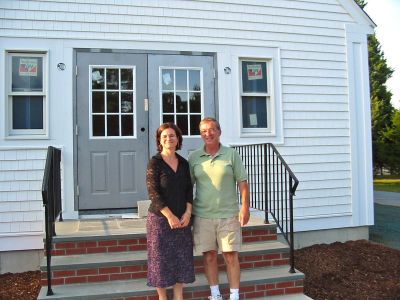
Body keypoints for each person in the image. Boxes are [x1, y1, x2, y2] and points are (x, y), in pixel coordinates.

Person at [188, 117, 250, 300]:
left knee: (231, 256)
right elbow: (187, 186)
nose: (208, 134)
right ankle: (215, 294)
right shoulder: (194, 157)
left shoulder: (231, 154)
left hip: (228, 215)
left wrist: (244, 206)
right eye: (204, 131)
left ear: (219, 132)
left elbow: (242, 182)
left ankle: (234, 295)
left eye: (212, 129)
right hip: (203, 215)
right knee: (209, 256)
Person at [146, 122, 195, 300]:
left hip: (182, 219)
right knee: (160, 260)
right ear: (160, 140)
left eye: (172, 135)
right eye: (164, 136)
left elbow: (189, 190)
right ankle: (162, 297)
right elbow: (153, 193)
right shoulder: (155, 163)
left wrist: (188, 213)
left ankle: (178, 296)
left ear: (178, 139)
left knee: (180, 258)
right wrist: (169, 216)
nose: (168, 138)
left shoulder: (184, 163)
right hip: (160, 219)